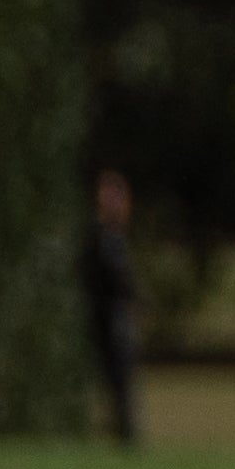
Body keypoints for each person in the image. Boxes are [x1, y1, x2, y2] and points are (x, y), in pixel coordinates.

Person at [83, 170, 142, 447]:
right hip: (104, 321)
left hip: (117, 321)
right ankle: (118, 434)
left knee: (123, 383)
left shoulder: (114, 239)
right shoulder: (101, 238)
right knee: (111, 381)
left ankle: (126, 437)